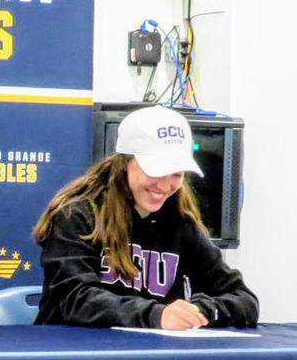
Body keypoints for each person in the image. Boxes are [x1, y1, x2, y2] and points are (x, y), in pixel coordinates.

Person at [33, 105, 257, 329]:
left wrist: (200, 310)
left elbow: (245, 300)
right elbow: (75, 299)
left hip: (149, 356)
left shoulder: (181, 223)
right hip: (75, 354)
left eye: (177, 174)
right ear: (124, 163)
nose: (165, 185)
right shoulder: (76, 215)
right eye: (156, 170)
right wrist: (156, 316)